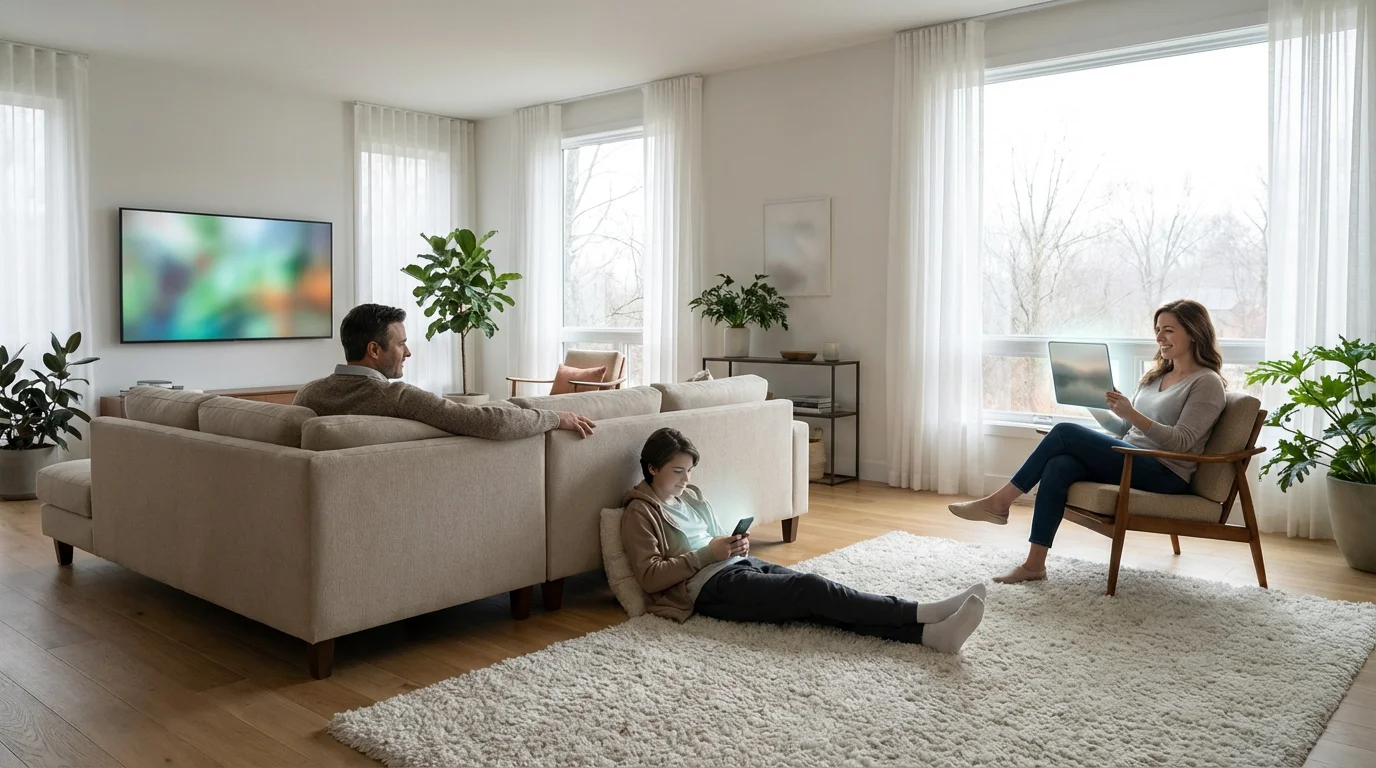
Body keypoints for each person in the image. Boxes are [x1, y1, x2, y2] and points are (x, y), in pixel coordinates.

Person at [622, 427, 986, 653]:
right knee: (811, 589)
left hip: (732, 566)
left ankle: (929, 637)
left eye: (689, 470)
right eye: (678, 471)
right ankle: (921, 611)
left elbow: (711, 539)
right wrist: (706, 555)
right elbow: (650, 577)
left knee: (820, 600)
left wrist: (732, 545)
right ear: (652, 468)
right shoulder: (639, 513)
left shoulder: (690, 496)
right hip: (706, 591)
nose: (686, 479)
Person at [949, 299, 1228, 584]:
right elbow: (1123, 430)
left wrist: (1132, 412)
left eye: (1168, 330)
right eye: (1157, 329)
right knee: (1060, 465)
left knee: (1064, 431)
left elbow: (1181, 442)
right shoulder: (1156, 376)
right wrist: (1092, 400)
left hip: (1165, 472)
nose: (1159, 338)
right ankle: (1034, 565)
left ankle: (999, 502)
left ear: (1194, 332)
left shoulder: (1206, 382)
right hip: (1131, 458)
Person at [294, 303, 596, 440]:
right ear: (374, 350)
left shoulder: (308, 394)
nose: (408, 352)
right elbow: (489, 423)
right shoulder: (397, 398)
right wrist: (556, 417)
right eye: (402, 344)